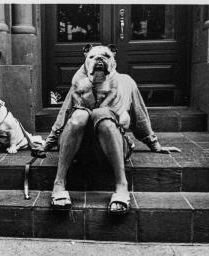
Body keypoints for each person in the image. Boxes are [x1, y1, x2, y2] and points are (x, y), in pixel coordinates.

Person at [43, 44, 181, 214]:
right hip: (80, 150)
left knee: (103, 115)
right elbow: (63, 116)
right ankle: (59, 182)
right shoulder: (77, 85)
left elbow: (140, 117)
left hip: (111, 146)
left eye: (106, 56)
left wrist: (154, 144)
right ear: (85, 61)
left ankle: (122, 185)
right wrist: (47, 143)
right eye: (93, 57)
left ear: (114, 61)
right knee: (79, 115)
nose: (99, 59)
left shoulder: (126, 82)